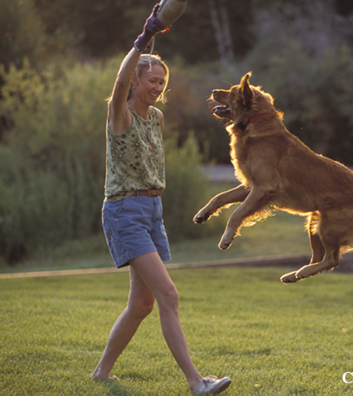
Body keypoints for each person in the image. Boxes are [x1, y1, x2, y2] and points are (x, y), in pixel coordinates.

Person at [91, 5, 231, 395]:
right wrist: (145, 38)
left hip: (152, 211)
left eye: (161, 83)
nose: (157, 88)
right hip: (124, 211)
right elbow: (118, 85)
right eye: (151, 80)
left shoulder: (157, 119)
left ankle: (101, 372)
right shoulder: (120, 114)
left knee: (142, 305)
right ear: (135, 81)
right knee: (169, 295)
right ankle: (195, 382)